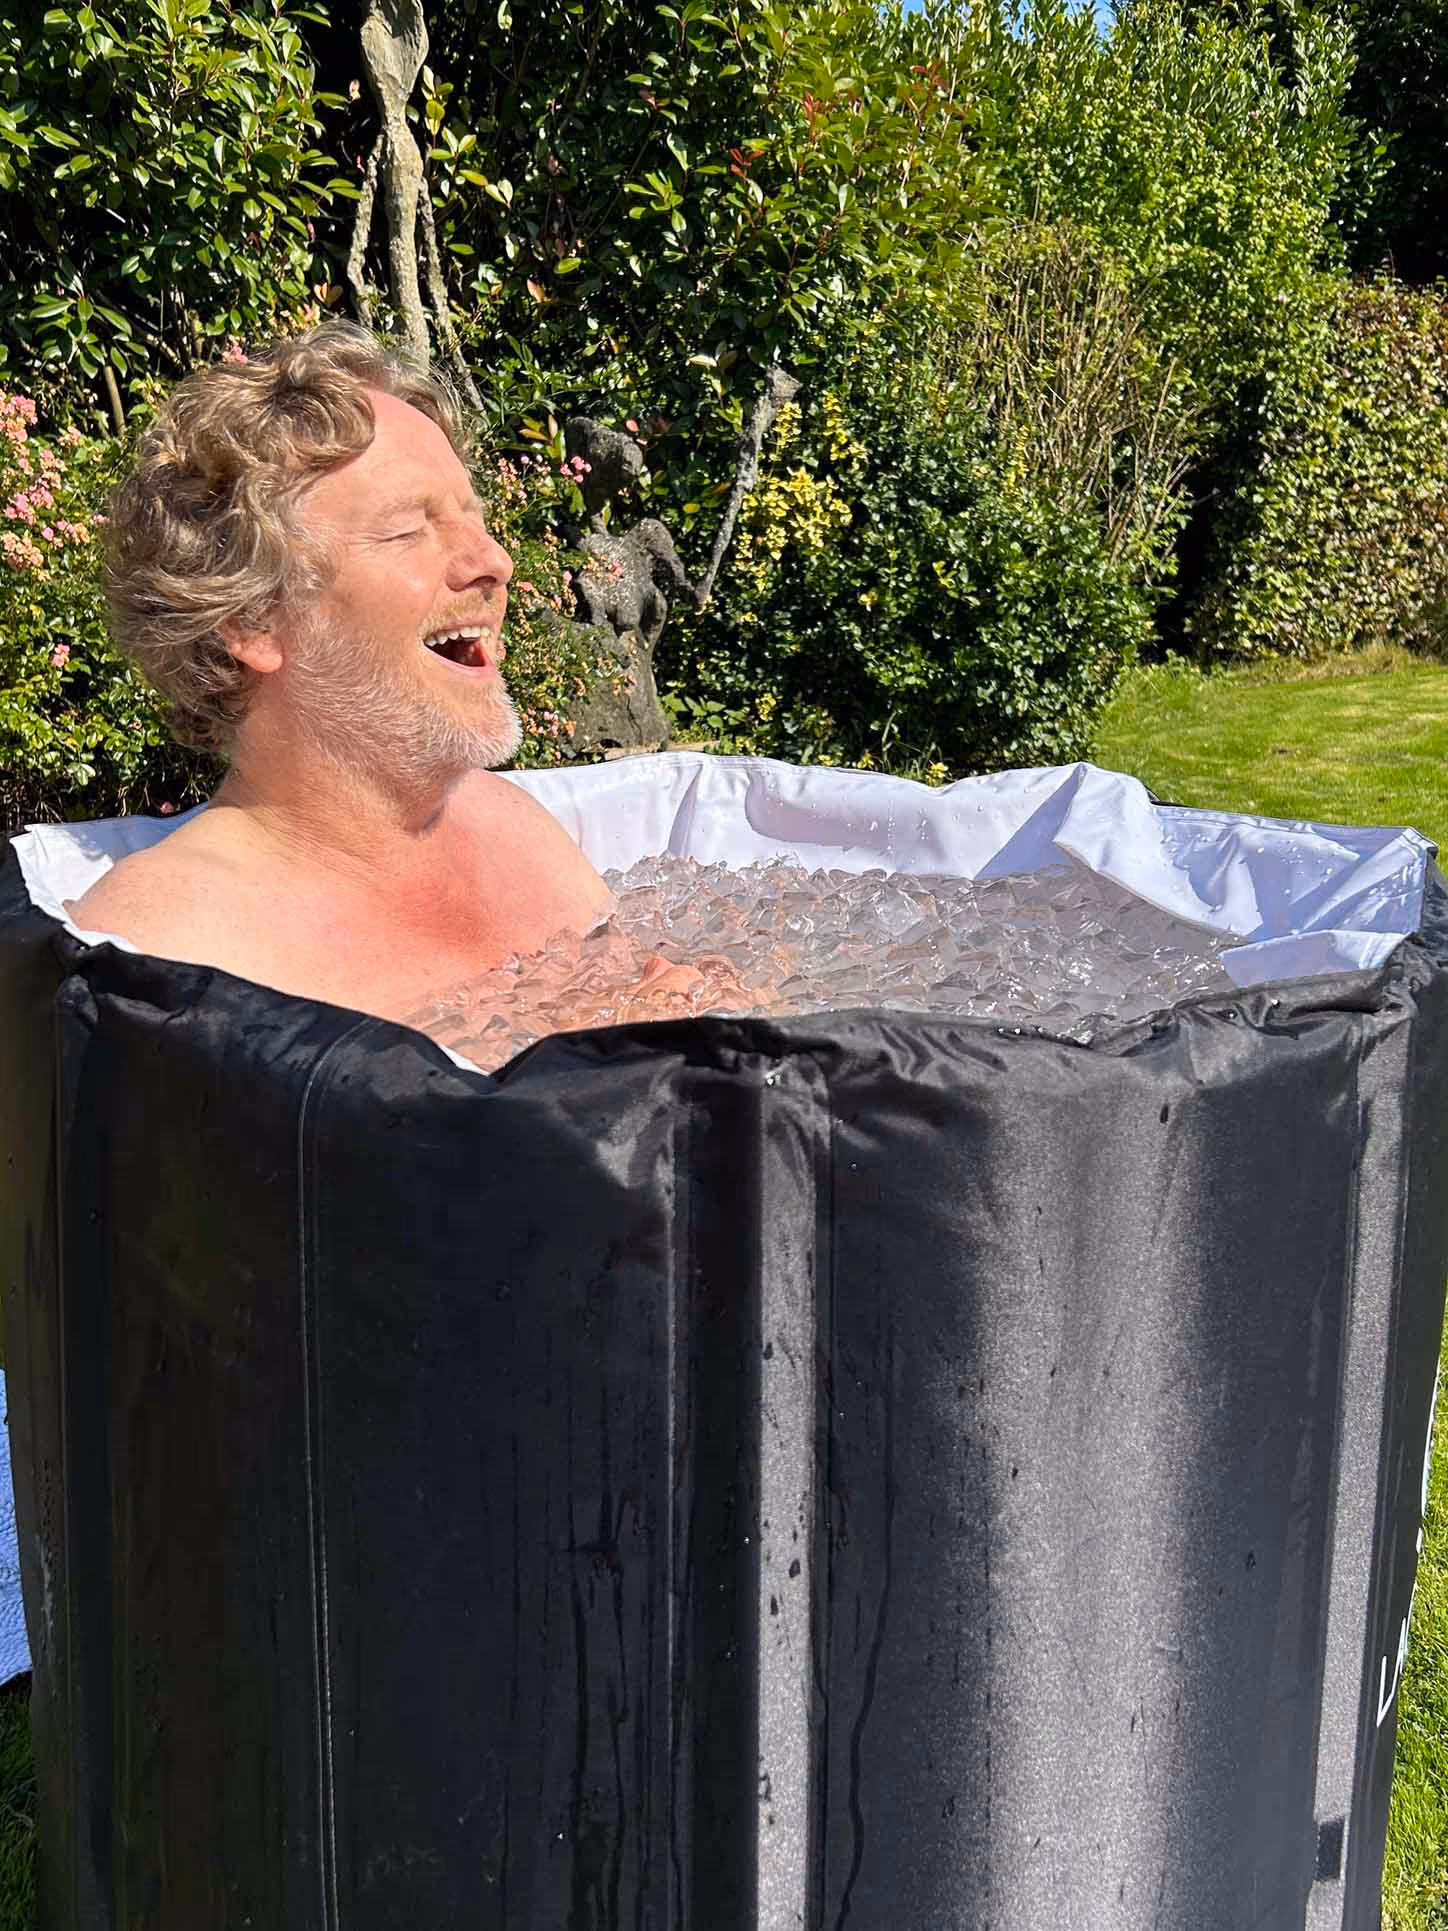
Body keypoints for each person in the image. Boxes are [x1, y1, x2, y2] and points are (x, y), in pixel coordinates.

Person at [66, 323, 704, 1034]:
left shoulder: (516, 832)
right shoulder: (163, 947)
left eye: (474, 518)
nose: (495, 561)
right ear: (253, 620)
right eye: (408, 530)